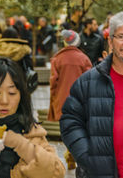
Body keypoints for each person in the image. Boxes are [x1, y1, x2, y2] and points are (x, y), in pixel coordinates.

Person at [60, 11, 123, 178]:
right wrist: (88, 157)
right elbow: (70, 121)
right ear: (110, 41)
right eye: (121, 36)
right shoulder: (87, 82)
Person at [48, 29, 92, 170]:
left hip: (62, 100)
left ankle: (69, 153)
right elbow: (90, 81)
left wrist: (54, 99)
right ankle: (73, 153)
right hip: (80, 100)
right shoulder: (84, 58)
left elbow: (53, 82)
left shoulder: (57, 59)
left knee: (66, 129)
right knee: (79, 127)